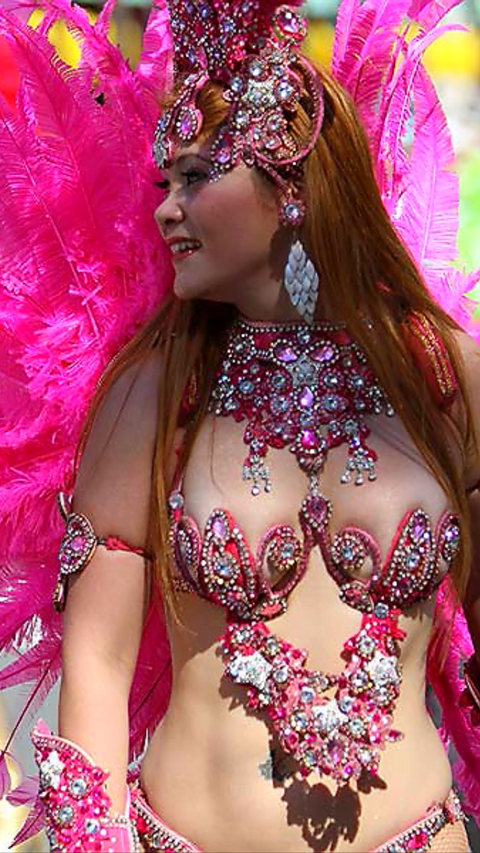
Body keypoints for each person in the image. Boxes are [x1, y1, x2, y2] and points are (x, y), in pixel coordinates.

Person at [3, 1, 480, 852]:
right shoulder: (154, 394)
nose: (167, 210)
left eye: (194, 178)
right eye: (164, 184)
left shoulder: (440, 377)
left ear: (290, 184)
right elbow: (98, 665)